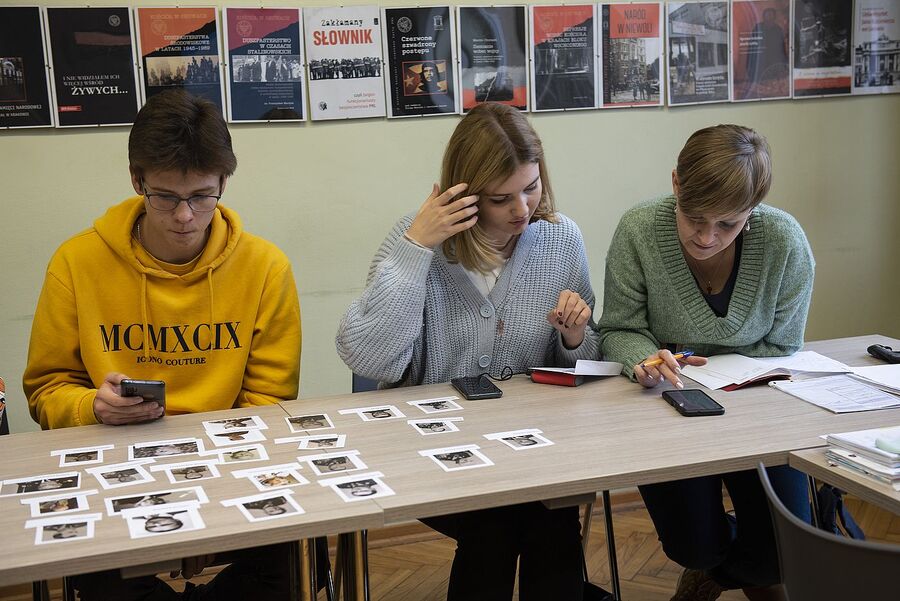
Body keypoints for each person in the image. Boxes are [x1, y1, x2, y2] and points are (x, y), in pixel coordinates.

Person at [23, 89, 302, 600]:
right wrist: (91, 407)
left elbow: (271, 401)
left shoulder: (265, 268)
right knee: (100, 570)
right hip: (111, 468)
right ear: (137, 181)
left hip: (230, 466)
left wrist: (208, 482)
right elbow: (46, 389)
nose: (185, 217)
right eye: (166, 197)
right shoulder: (76, 263)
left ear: (223, 183)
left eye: (202, 196)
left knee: (281, 550)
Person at [336, 101, 604, 601]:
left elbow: (585, 360)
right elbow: (370, 361)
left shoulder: (560, 239)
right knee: (502, 518)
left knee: (550, 509)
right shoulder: (416, 242)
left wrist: (573, 336)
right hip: (431, 451)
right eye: (502, 198)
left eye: (531, 186)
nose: (522, 210)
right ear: (464, 192)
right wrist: (415, 248)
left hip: (530, 447)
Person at [597, 124, 815, 601]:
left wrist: (714, 374)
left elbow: (783, 347)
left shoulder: (784, 243)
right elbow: (618, 327)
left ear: (753, 209)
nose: (706, 236)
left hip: (756, 414)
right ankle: (707, 569)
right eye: (694, 216)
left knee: (781, 548)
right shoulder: (639, 230)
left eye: (729, 224)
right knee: (694, 546)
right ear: (676, 183)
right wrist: (642, 360)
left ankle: (718, 577)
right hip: (667, 407)